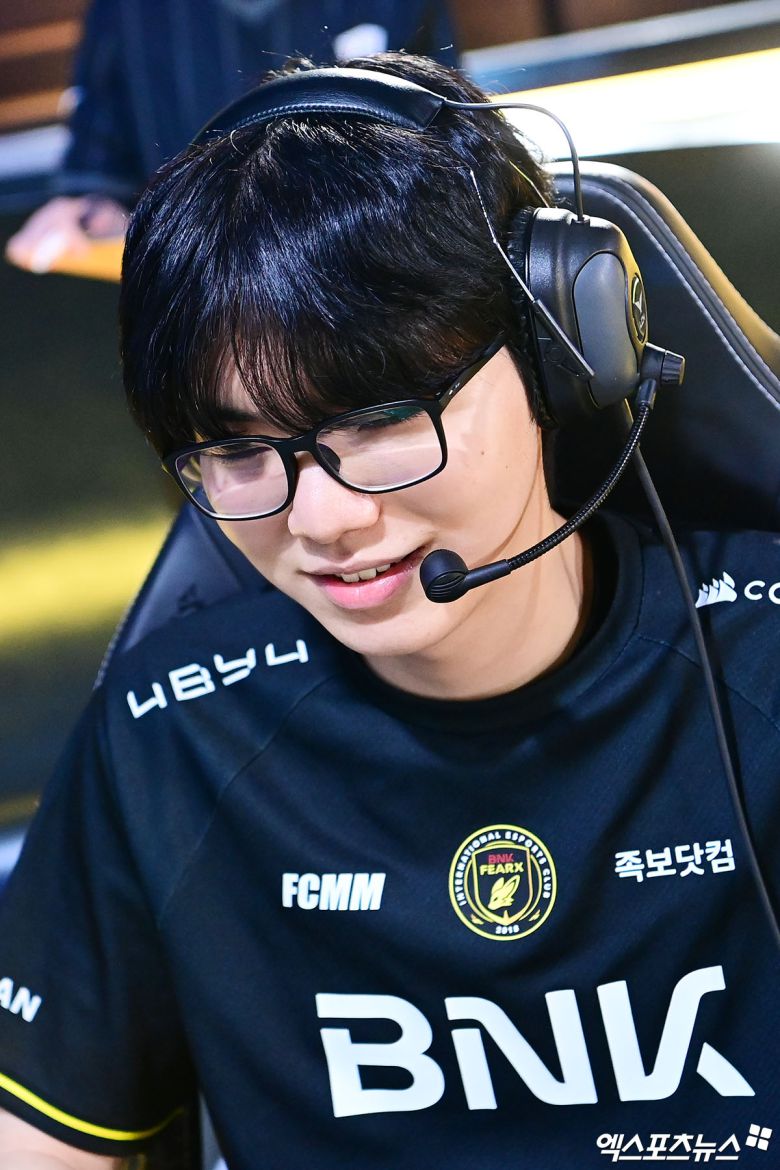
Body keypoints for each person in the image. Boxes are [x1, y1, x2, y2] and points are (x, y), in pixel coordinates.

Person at [0, 51, 777, 1170]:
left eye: (381, 418)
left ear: (558, 352)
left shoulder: (763, 656)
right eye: (238, 450)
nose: (322, 519)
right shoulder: (173, 733)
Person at [5, 0, 456, 272]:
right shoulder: (126, 9)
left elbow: (446, 126)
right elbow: (99, 156)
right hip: (203, 287)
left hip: (369, 266)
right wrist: (85, 211)